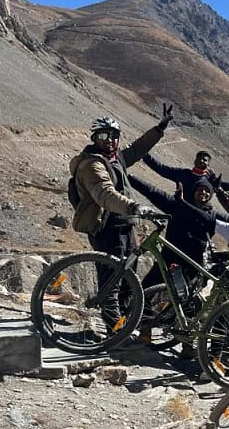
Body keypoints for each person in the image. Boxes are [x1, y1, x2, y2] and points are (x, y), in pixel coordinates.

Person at [69, 106, 172, 325]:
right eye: (104, 135)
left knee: (128, 280)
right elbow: (105, 194)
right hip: (107, 228)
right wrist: (134, 207)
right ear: (95, 138)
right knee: (112, 281)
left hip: (125, 226)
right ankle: (114, 333)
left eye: (114, 136)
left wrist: (159, 128)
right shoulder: (92, 164)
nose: (110, 140)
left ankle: (123, 327)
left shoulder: (115, 159)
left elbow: (137, 149)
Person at [126, 175, 229, 289]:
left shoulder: (212, 216)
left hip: (191, 265)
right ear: (194, 191)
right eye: (200, 189)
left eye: (207, 191)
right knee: (146, 291)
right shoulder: (177, 205)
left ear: (210, 196)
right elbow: (152, 191)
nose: (204, 192)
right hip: (167, 259)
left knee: (183, 303)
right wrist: (127, 176)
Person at [143, 149, 229, 203]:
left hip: (200, 214)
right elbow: (161, 169)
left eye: (205, 160)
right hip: (179, 210)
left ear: (208, 165)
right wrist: (144, 154)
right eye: (200, 158)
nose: (202, 161)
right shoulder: (183, 174)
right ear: (195, 161)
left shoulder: (211, 181)